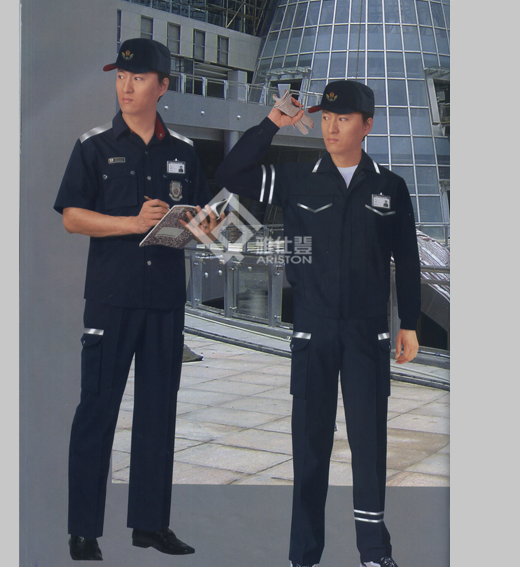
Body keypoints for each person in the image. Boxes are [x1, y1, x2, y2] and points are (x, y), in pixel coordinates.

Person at [215, 80, 421, 567]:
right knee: (309, 446)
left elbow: (408, 258)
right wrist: (272, 123)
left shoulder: (390, 187)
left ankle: (374, 552)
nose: (330, 127)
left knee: (369, 443)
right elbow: (230, 172)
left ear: (367, 126)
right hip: (313, 330)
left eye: (342, 119)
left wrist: (409, 322)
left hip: (367, 332)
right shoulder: (296, 178)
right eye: (326, 118)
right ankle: (304, 556)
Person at [54, 38, 220, 561]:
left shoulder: (184, 151)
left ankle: (150, 526)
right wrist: (131, 223)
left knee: (157, 413)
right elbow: (72, 217)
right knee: (96, 411)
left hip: (165, 301)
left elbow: (197, 217)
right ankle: (83, 532)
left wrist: (208, 226)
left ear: (162, 85)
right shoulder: (94, 145)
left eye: (139, 78)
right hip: (112, 299)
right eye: (121, 77)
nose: (126, 87)